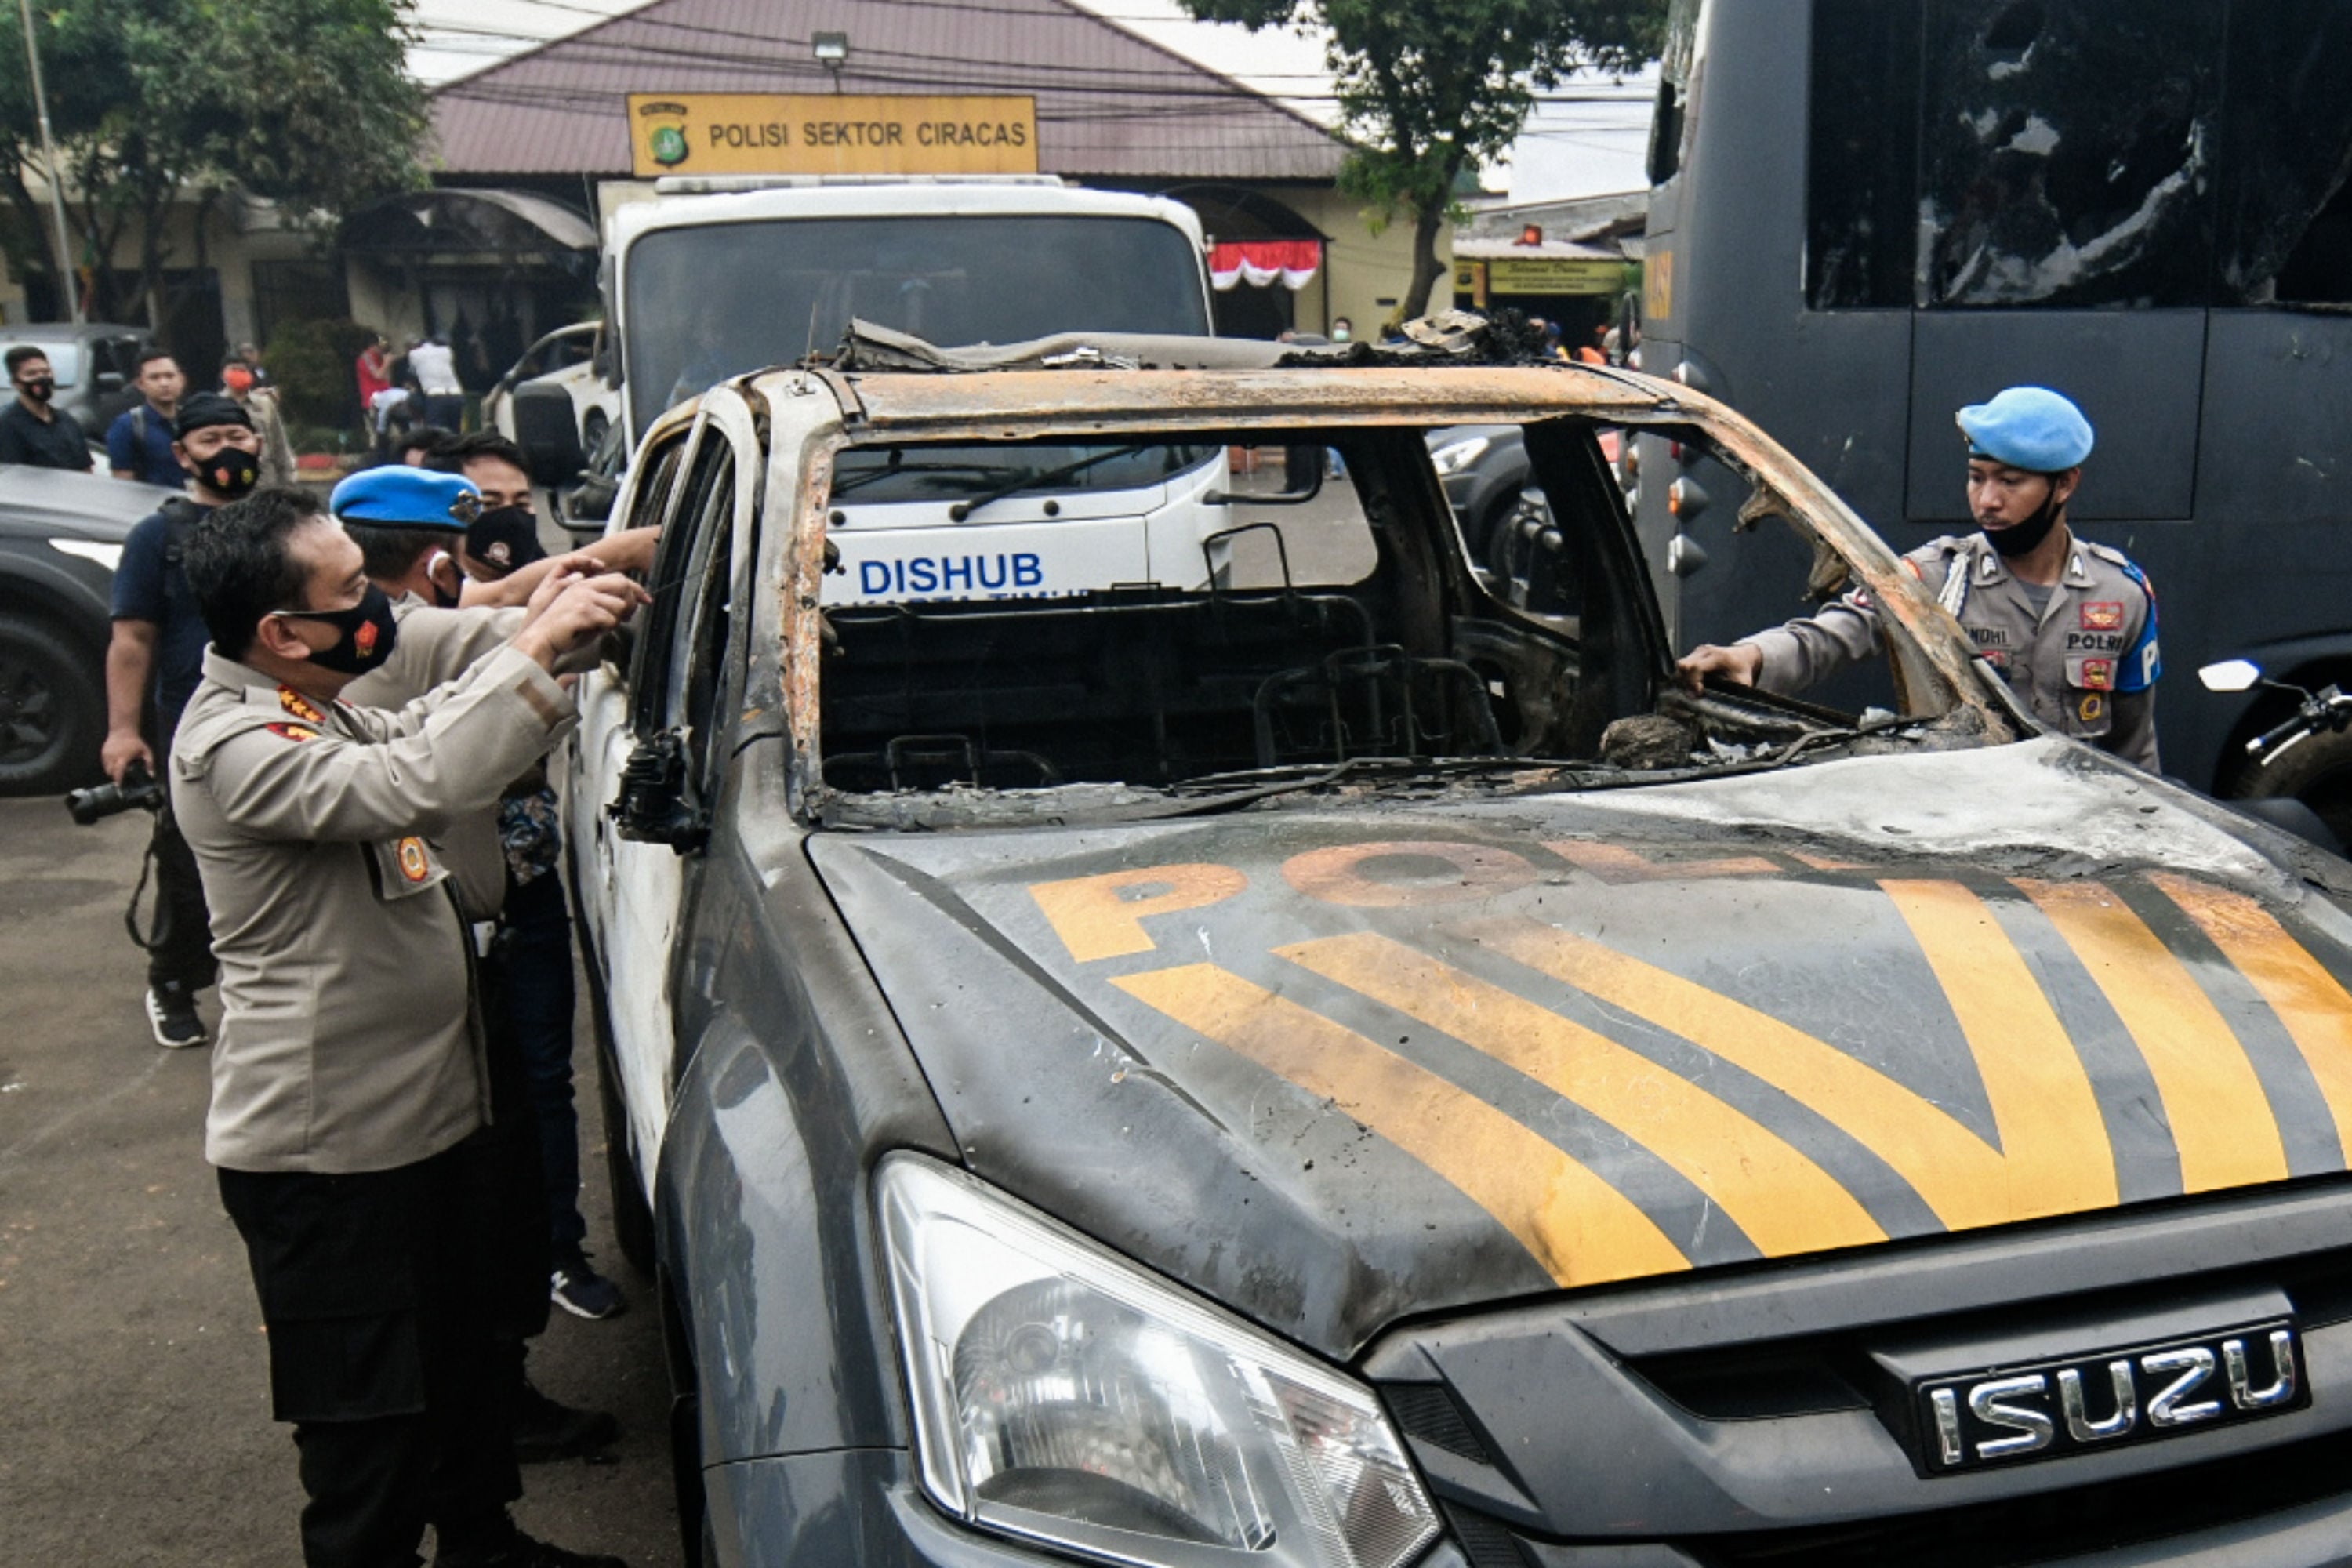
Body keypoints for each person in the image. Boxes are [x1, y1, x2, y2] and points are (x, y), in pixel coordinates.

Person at [172, 484, 644, 1568]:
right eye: (352, 595)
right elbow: (410, 781)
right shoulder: (237, 745)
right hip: (330, 1162)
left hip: (422, 1128)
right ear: (283, 633)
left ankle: (484, 1544)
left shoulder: (313, 703)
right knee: (368, 1435)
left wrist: (539, 645)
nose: (378, 609)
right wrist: (532, 657)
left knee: (464, 1372)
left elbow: (419, 724)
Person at [334, 466, 644, 1460]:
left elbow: (514, 604)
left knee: (501, 1162)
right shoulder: (386, 649)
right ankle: (480, 1405)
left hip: (472, 940)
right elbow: (516, 637)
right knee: (475, 1189)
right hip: (442, 960)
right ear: (436, 556)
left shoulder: (380, 633)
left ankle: (488, 1395)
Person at [1678, 385, 2161, 769]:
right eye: (1977, 477)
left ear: (2065, 484)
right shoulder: (1936, 577)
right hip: (1955, 827)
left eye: (2010, 483)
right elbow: (1831, 636)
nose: (1987, 500)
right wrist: (1751, 657)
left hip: (2073, 840)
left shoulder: (2120, 594)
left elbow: (2135, 753)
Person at [434, 434, 622, 1319]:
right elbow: (502, 608)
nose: (505, 517)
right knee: (463, 1090)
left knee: (547, 1075)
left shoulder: (542, 583)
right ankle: (483, 1274)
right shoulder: (407, 617)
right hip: (439, 890)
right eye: (483, 503)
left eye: (518, 498)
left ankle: (557, 1249)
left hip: (527, 874)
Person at [101, 392, 270, 1047]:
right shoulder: (158, 537)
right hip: (191, 734)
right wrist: (123, 731)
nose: (229, 450)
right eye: (210, 441)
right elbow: (133, 639)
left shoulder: (280, 525)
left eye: (238, 435)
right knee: (188, 867)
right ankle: (172, 981)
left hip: (279, 718)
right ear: (181, 455)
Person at [107, 349, 189, 486]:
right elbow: (123, 483)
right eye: (154, 378)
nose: (164, 383)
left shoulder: (194, 420)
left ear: (181, 379)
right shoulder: (127, 426)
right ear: (140, 384)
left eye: (170, 376)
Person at [0, 343, 89, 468]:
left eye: (46, 372)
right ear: (16, 383)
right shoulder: (7, 425)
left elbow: (85, 467)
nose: (42, 378)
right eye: (32, 374)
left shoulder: (66, 420)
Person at [223, 362, 298, 488]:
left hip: (265, 482)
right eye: (234, 370)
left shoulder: (264, 404)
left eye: (243, 370)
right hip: (232, 484)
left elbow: (279, 443)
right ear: (224, 375)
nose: (239, 374)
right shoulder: (216, 405)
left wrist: (288, 480)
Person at [408, 332, 465, 430]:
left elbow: (414, 375)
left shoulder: (414, 354)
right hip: (457, 395)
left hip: (435, 396)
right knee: (455, 432)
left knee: (436, 434)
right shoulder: (447, 351)